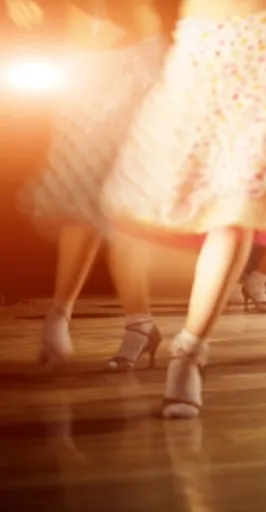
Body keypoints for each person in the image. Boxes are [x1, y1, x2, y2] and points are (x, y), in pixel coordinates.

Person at [101, 0, 266, 419]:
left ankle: (189, 352)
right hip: (201, 42)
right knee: (135, 197)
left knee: (237, 206)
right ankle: (139, 324)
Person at [9, 0, 167, 370]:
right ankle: (62, 316)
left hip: (136, 63)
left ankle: (135, 322)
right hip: (81, 64)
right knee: (79, 196)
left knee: (121, 201)